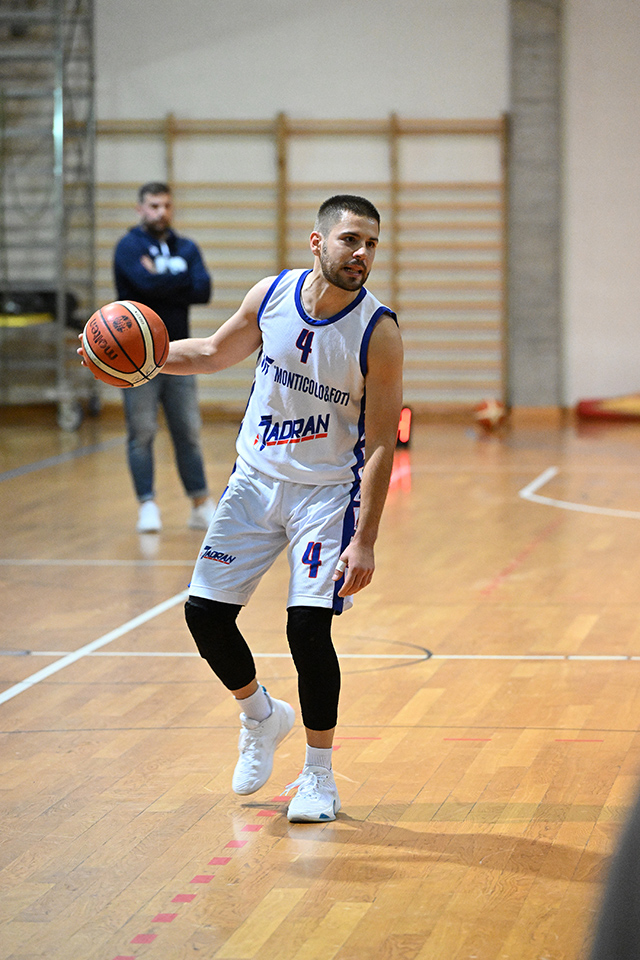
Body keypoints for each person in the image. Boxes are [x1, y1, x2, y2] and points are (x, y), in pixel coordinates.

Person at [163, 194, 403, 822]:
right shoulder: (271, 296)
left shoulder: (378, 331)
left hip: (326, 494)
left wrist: (366, 539)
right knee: (204, 615)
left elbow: (382, 440)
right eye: (351, 239)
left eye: (372, 244)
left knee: (307, 630)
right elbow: (212, 353)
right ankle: (260, 715)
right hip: (253, 482)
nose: (362, 253)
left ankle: (319, 777)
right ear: (317, 242)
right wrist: (143, 358)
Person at [113, 181, 215, 533]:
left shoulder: (186, 247)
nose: (161, 212)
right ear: (140, 209)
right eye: (154, 206)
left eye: (166, 206)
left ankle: (200, 504)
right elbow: (143, 286)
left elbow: (203, 290)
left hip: (178, 352)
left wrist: (159, 278)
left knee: (188, 431)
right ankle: (147, 505)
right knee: (141, 432)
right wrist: (178, 278)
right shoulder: (128, 247)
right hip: (135, 357)